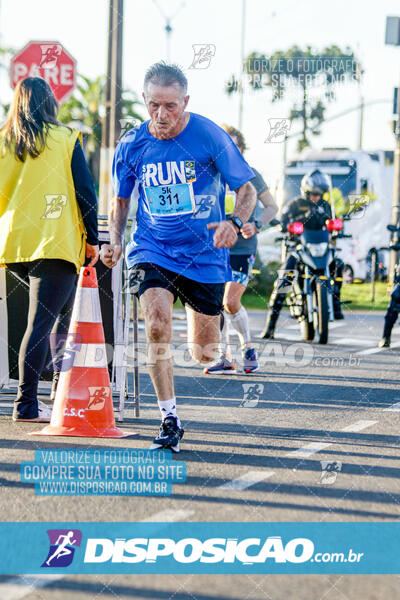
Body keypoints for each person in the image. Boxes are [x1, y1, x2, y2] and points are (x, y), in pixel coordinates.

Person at [101, 62, 256, 452]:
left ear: (185, 101)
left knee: (203, 349)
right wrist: (116, 239)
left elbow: (248, 191)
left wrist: (234, 222)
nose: (162, 114)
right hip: (152, 247)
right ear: (144, 100)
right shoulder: (133, 144)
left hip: (204, 255)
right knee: (156, 325)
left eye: (171, 105)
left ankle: (198, 319)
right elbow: (120, 201)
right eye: (154, 105)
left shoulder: (210, 136)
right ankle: (169, 417)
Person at [0, 77, 99, 422]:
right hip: (54, 241)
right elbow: (85, 191)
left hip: (16, 244)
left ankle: (57, 390)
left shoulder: (4, 140)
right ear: (49, 104)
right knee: (41, 323)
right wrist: (93, 238)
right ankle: (26, 405)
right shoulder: (65, 138)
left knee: (55, 315)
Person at [204, 125, 278, 374]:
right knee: (216, 302)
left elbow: (271, 207)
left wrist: (255, 225)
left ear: (242, 149)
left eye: (234, 146)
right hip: (214, 245)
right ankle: (225, 357)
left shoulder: (251, 173)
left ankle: (248, 346)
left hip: (242, 246)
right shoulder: (210, 173)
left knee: (230, 300)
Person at [260, 169, 344, 339]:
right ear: (306, 191)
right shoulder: (295, 204)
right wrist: (285, 225)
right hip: (300, 249)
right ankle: (270, 326)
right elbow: (283, 220)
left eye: (320, 194)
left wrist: (339, 227)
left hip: (321, 249)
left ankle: (336, 303)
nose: (317, 197)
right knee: (285, 278)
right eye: (314, 194)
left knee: (339, 264)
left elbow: (333, 223)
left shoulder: (326, 206)